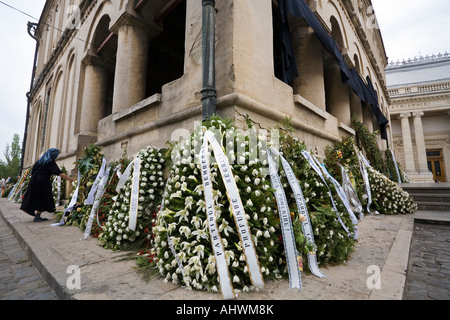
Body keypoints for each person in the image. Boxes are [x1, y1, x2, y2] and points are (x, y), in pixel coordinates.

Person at [20, 148, 74, 222]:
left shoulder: (39, 162)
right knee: (43, 198)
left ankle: (32, 211)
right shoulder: (50, 162)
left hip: (34, 180)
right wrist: (69, 179)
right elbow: (59, 173)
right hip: (43, 181)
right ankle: (37, 216)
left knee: (35, 196)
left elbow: (33, 171)